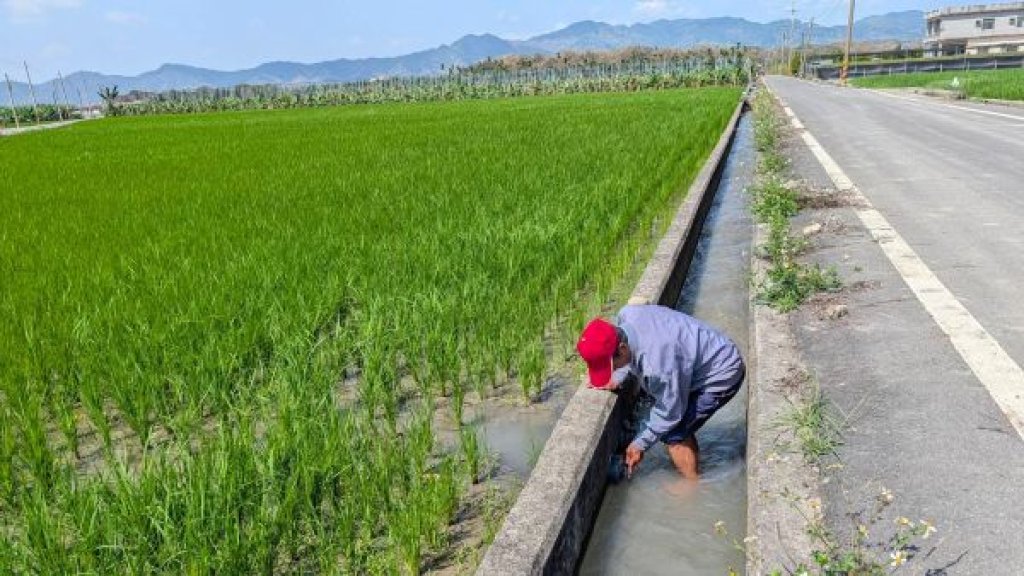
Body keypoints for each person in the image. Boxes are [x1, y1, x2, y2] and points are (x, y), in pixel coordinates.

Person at [576, 304, 745, 480]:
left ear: (622, 348)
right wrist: (617, 377)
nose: (613, 370)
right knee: (661, 407)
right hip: (704, 348)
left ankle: (692, 484)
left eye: (611, 366)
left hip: (723, 371)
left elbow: (670, 414)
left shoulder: (658, 366)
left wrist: (639, 444)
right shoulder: (627, 314)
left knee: (674, 433)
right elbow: (632, 354)